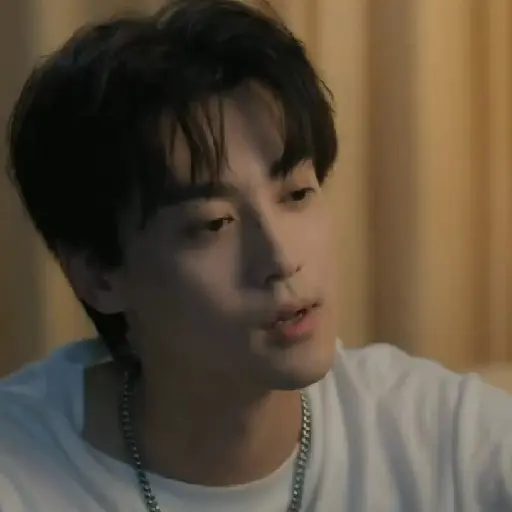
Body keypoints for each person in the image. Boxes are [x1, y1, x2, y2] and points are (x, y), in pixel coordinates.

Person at [1, 0, 511, 510]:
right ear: (99, 275)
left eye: (297, 194)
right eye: (214, 223)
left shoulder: (444, 437)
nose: (282, 259)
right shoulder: (21, 470)